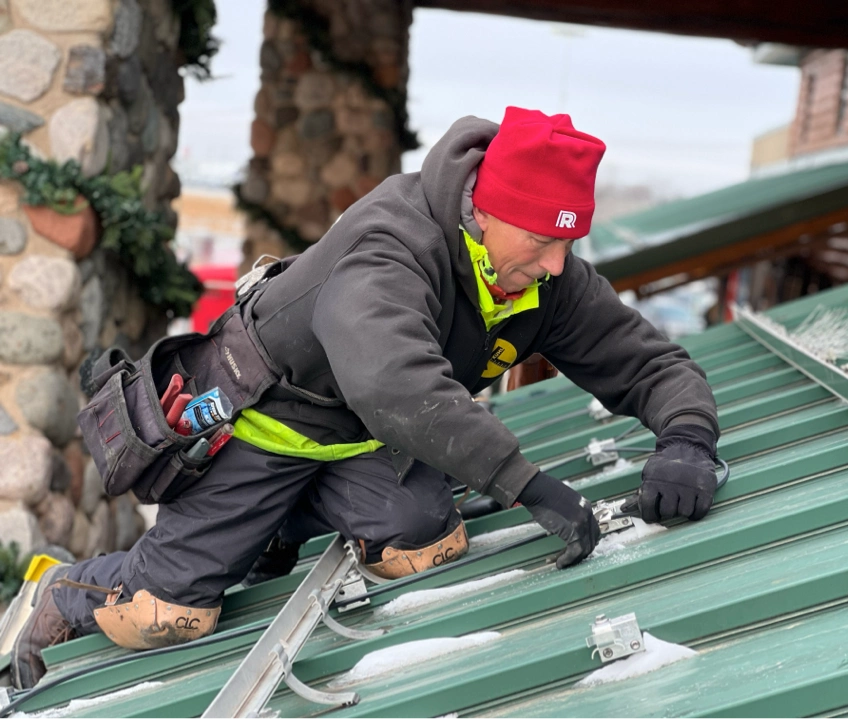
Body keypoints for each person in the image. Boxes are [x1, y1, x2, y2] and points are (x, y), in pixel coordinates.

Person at [10, 107, 719, 689]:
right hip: (266, 422)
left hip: (366, 436)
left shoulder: (542, 276)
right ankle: (70, 590)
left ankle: (281, 523)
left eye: (567, 244)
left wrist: (686, 440)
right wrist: (522, 483)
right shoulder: (392, 241)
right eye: (539, 240)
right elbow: (392, 381)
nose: (556, 264)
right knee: (165, 615)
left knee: (423, 544)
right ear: (489, 209)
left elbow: (648, 361)